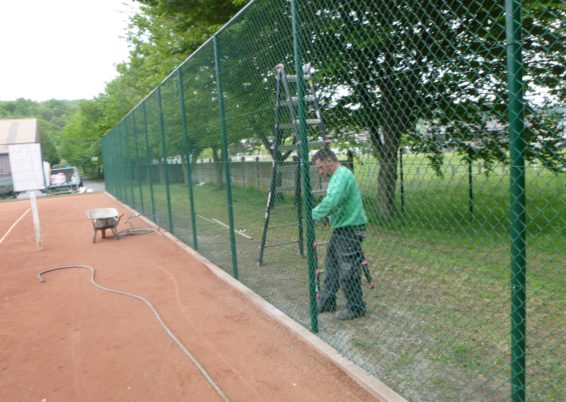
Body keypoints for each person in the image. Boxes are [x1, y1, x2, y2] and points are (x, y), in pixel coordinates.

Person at [311, 148, 368, 320]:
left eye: (321, 167)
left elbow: (333, 199)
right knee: (332, 265)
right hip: (341, 228)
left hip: (350, 228)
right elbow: (338, 201)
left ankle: (356, 308)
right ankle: (328, 302)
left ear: (329, 160)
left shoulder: (342, 174)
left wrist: (312, 215)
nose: (320, 171)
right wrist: (329, 216)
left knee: (348, 270)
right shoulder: (336, 177)